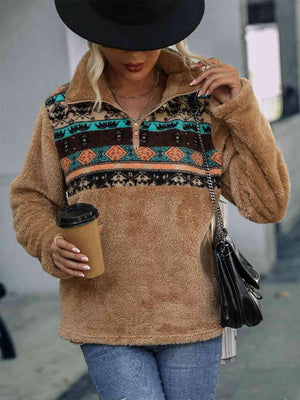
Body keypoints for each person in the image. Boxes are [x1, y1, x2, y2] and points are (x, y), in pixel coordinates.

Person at [9, 1, 290, 399]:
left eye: (149, 40)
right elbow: (31, 198)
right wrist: (48, 241)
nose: (136, 54)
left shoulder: (203, 107)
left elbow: (268, 204)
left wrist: (241, 104)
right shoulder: (62, 111)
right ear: (96, 35)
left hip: (191, 316)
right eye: (122, 41)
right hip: (104, 317)